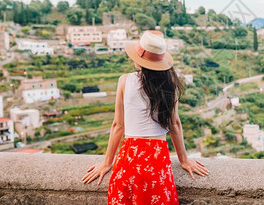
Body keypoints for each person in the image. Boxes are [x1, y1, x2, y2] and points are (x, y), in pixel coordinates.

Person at [81, 30, 209, 204]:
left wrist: (107, 162)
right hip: (157, 157)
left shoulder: (124, 80)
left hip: (129, 156)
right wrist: (184, 160)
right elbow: (175, 125)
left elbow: (118, 125)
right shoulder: (170, 85)